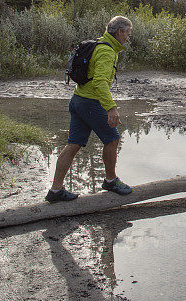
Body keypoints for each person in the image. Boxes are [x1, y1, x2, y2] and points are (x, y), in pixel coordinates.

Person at [46, 15, 134, 202]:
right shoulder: (106, 51)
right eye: (128, 33)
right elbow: (100, 83)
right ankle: (110, 180)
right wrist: (111, 108)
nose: (128, 37)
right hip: (90, 103)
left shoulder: (100, 44)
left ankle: (55, 191)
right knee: (112, 139)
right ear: (119, 31)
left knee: (73, 144)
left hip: (77, 100)